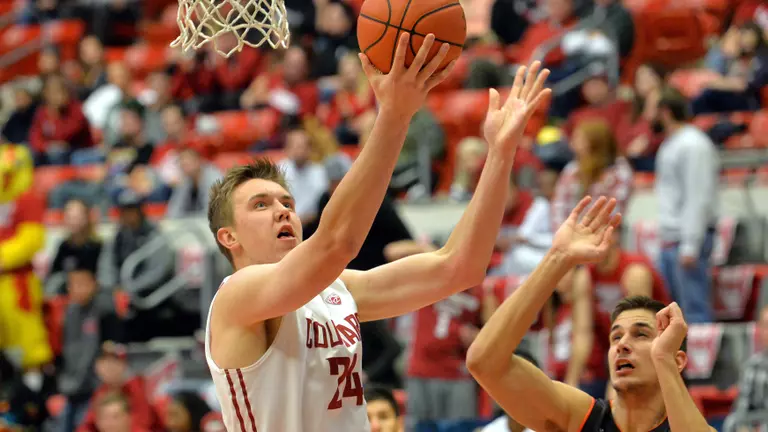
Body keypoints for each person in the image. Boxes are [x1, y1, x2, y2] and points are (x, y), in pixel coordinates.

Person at [203, 32, 551, 431]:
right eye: (261, 204)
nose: (282, 211)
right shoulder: (236, 297)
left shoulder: (336, 291)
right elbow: (336, 243)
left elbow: (459, 268)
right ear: (228, 237)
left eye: (287, 203)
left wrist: (500, 154)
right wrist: (395, 115)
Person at [467, 196, 716, 432]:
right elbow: (484, 361)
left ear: (677, 360)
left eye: (641, 334)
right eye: (615, 337)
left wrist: (664, 360)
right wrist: (558, 258)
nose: (623, 344)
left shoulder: (635, 271)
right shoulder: (581, 418)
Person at [565, 228, 670, 397]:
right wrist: (570, 384)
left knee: (617, 400)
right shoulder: (585, 276)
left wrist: (616, 383)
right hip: (614, 355)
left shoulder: (635, 272)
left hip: (653, 354)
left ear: (613, 237)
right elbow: (582, 334)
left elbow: (641, 334)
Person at [653, 86, 720, 324]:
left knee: (694, 311)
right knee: (672, 316)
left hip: (687, 240)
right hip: (671, 239)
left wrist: (691, 245)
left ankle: (700, 361)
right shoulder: (669, 144)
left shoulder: (693, 145)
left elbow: (698, 196)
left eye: (652, 109)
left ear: (665, 112)